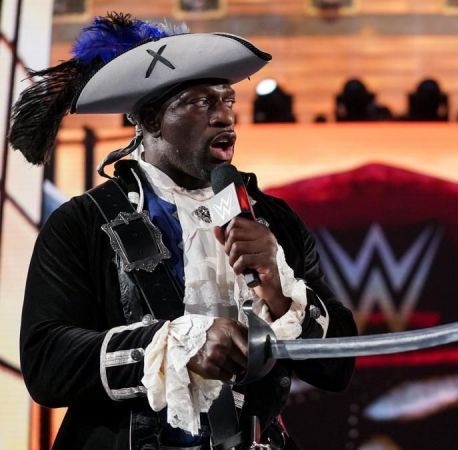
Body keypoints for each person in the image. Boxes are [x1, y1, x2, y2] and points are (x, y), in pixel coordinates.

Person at [11, 13, 356, 449]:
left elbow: (338, 368)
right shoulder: (82, 223)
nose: (224, 118)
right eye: (200, 103)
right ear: (152, 120)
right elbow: (46, 365)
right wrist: (177, 344)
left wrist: (279, 291)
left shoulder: (275, 221)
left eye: (227, 100)